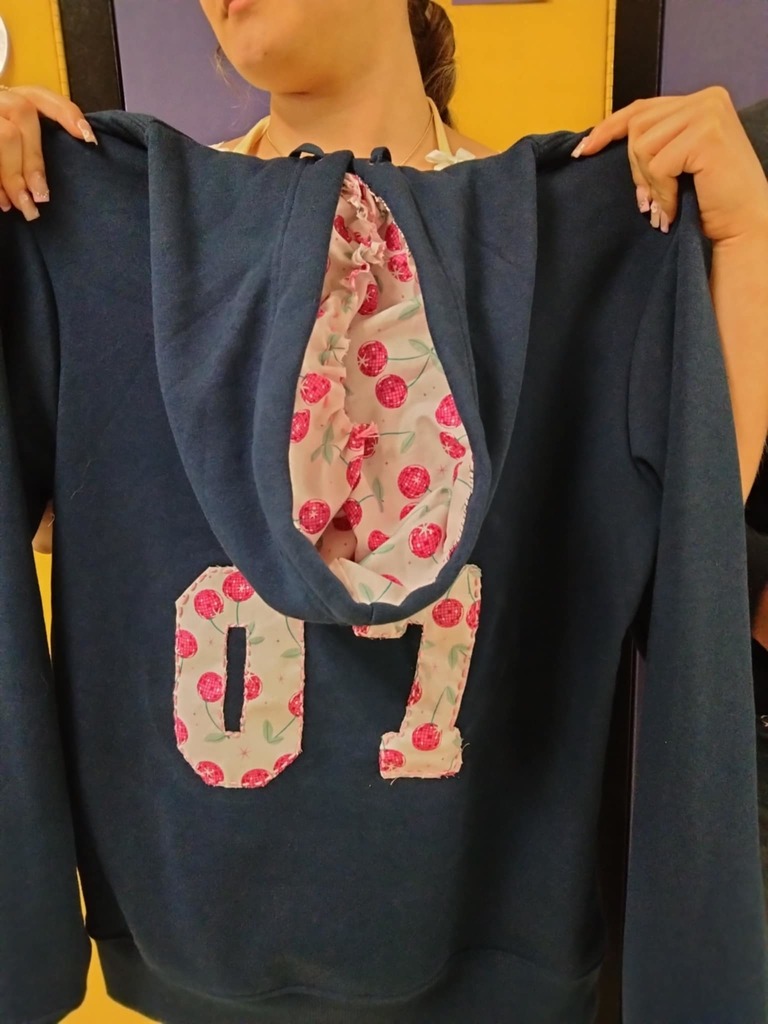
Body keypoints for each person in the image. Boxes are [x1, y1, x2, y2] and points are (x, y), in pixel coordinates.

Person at [2, 3, 768, 1022]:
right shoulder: (111, 229)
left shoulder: (585, 238)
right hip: (190, 948)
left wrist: (745, 243)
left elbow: (689, 541)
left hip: (483, 952)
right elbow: (57, 519)